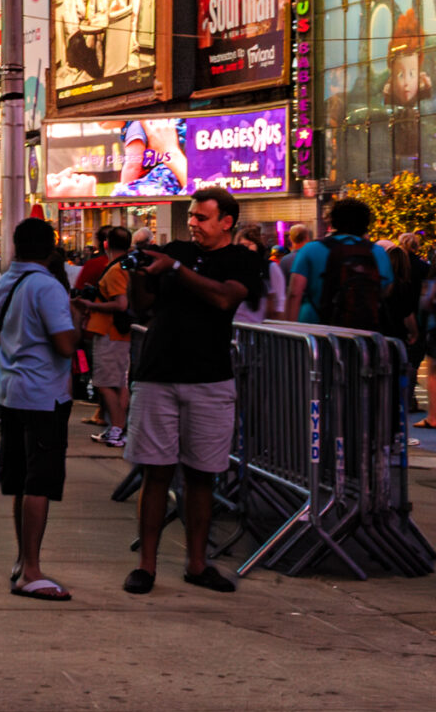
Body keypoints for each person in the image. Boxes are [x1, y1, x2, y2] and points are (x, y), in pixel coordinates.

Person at [124, 186, 265, 595]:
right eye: (190, 216)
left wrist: (173, 270)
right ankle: (146, 566)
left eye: (202, 217)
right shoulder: (175, 252)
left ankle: (197, 563)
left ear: (226, 222)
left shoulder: (240, 260)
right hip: (158, 374)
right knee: (155, 472)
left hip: (209, 378)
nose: (193, 223)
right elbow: (143, 306)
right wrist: (137, 271)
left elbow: (225, 299)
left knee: (203, 475)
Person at [0, 216, 81, 600]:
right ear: (50, 247)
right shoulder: (47, 286)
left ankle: (23, 559)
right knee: (39, 481)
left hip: (11, 391)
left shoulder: (3, 281)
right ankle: (32, 570)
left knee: (20, 479)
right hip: (43, 393)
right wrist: (78, 323)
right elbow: (64, 345)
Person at [286, 195, 395, 330]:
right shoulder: (378, 252)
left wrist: (291, 329)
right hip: (363, 331)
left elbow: (294, 293)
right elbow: (386, 289)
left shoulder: (311, 249)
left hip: (316, 328)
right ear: (365, 224)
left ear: (333, 221)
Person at [73, 225, 133, 449]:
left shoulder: (116, 270)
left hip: (110, 332)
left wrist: (88, 303)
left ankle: (117, 428)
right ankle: (117, 427)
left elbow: (121, 304)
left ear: (106, 243)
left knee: (105, 383)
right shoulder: (125, 266)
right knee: (118, 383)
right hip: (117, 333)